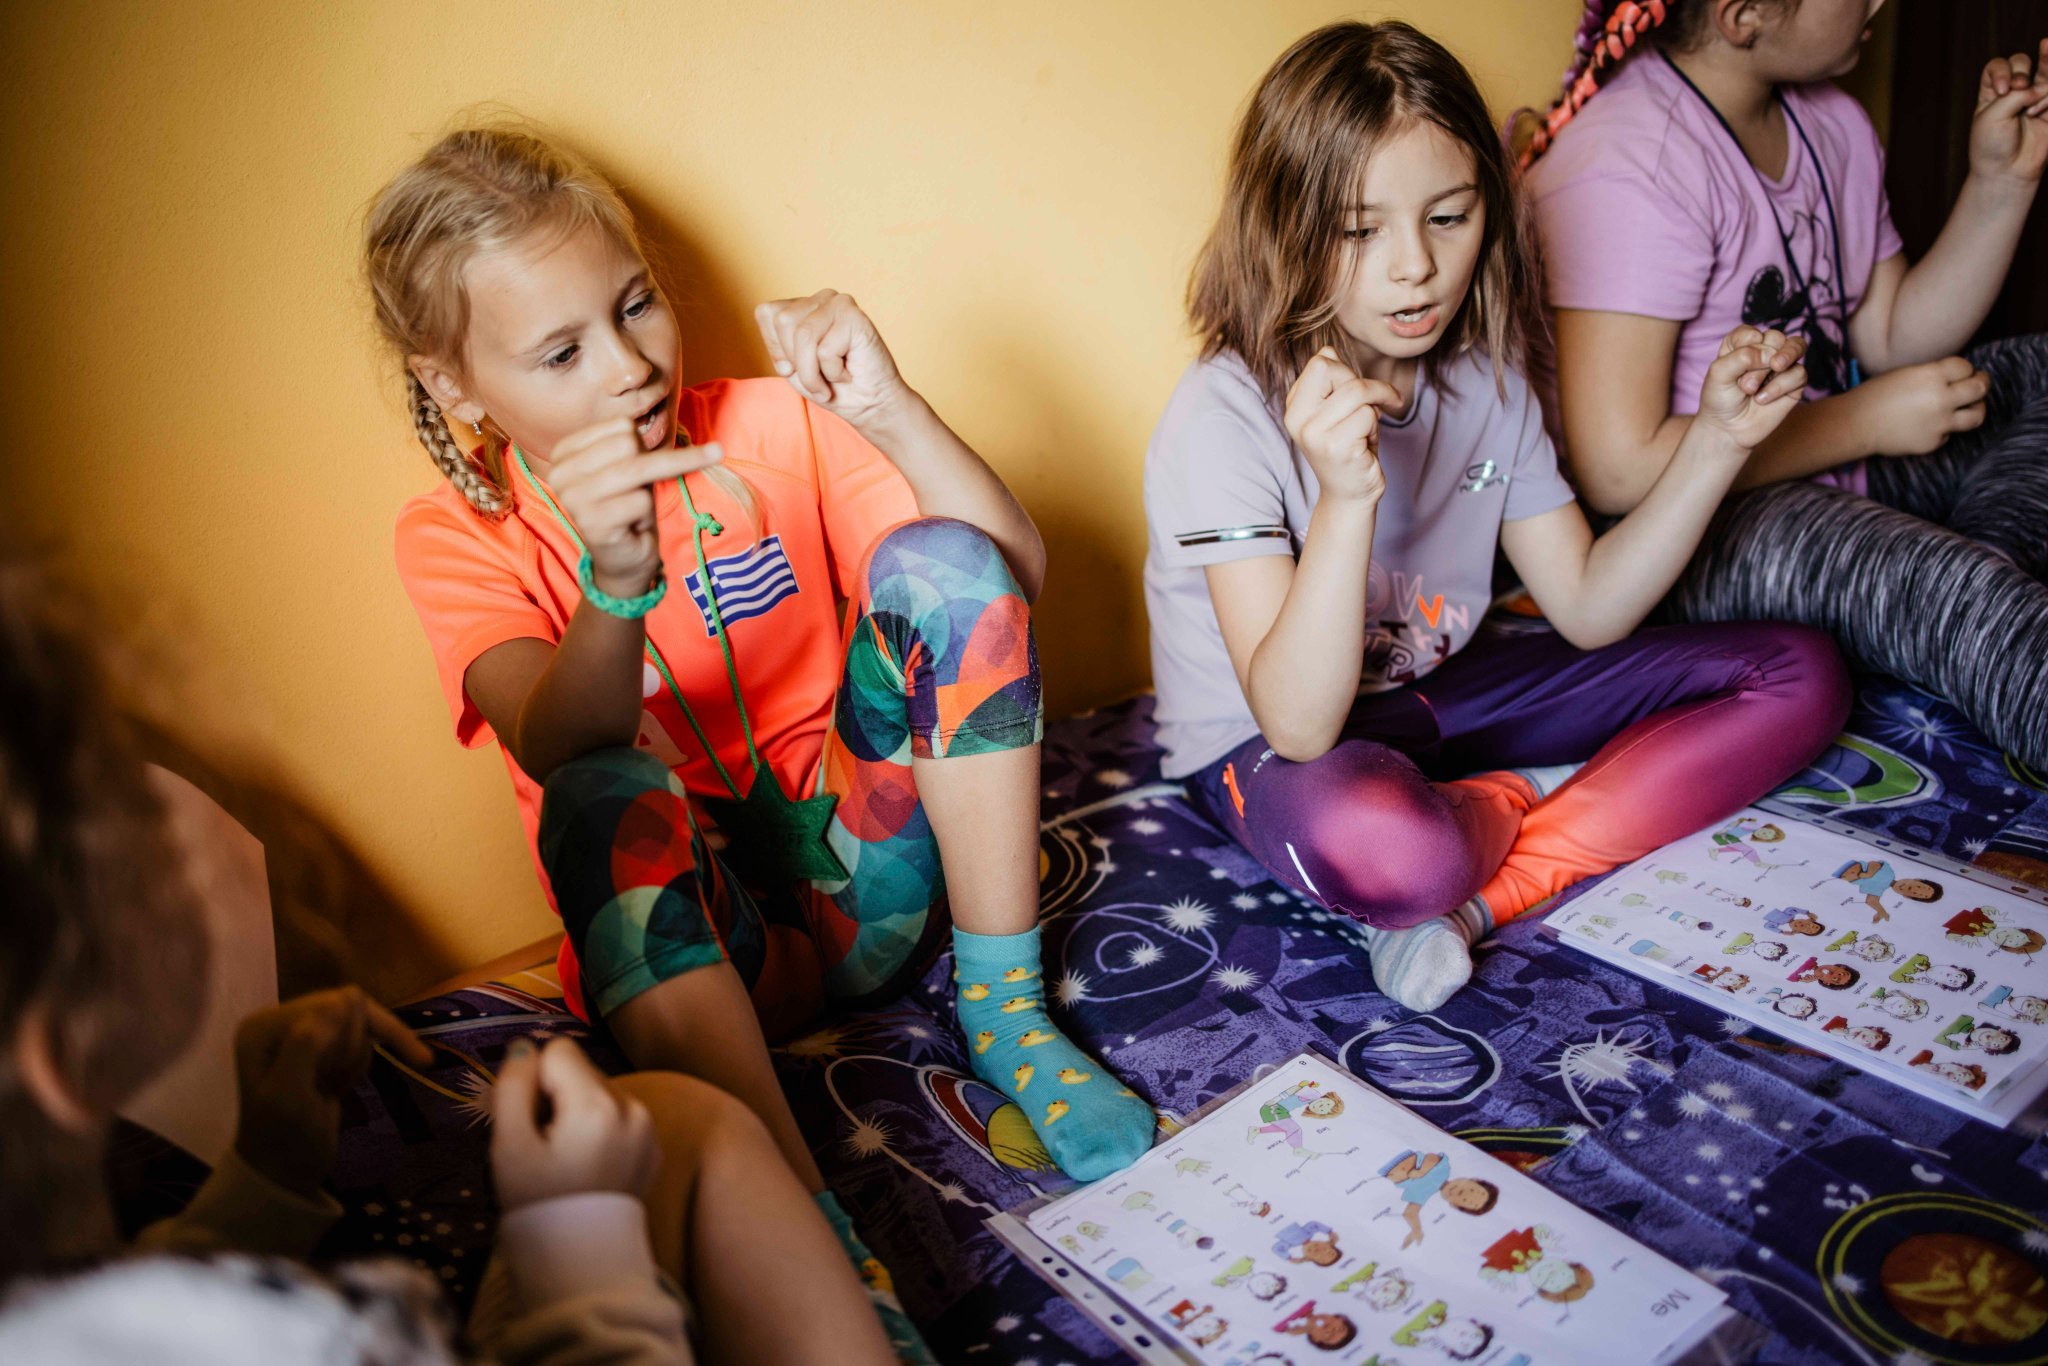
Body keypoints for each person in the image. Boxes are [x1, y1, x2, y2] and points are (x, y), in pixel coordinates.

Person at [0, 556, 896, 1364]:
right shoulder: (321, 1338)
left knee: (680, 1116)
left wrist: (258, 1185)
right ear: (55, 1046)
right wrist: (576, 1239)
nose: (180, 814)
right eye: (137, 820)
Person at [1143, 20, 1850, 1011]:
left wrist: (1717, 442)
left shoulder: (1485, 380)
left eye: (1448, 216)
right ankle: (1532, 794)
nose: (1414, 266)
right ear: (1284, 225)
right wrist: (1346, 498)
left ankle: (1485, 893)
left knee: (1800, 674)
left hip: (1437, 694)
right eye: (1358, 230)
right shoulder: (1222, 414)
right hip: (1271, 737)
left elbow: (1590, 607)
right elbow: (1298, 725)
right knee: (1397, 852)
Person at [1524, 0, 2048, 766]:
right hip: (1693, 523)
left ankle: (1960, 588)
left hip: (1833, 461)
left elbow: (1892, 335)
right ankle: (1960, 598)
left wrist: (2001, 183)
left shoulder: (1831, 121)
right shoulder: (1632, 162)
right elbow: (1619, 473)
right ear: (1744, 17)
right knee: (1952, 591)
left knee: (2035, 376)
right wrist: (1863, 420)